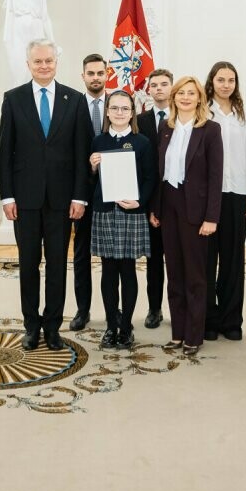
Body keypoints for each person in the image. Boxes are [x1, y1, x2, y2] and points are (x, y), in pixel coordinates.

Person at [0, 39, 91, 351]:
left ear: (56, 62)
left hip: (63, 201)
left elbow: (82, 154)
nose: (43, 66)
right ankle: (31, 326)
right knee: (28, 265)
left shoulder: (75, 100)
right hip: (24, 200)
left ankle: (52, 327)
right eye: (37, 61)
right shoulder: (13, 99)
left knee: (56, 265)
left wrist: (80, 197)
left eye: (49, 60)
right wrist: (7, 197)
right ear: (28, 64)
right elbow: (5, 154)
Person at [149, 76, 223, 355]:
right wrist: (155, 208)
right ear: (174, 97)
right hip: (169, 205)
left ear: (200, 99)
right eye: (181, 93)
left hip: (196, 210)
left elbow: (216, 178)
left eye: (192, 93)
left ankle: (194, 335)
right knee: (174, 272)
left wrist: (211, 218)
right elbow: (158, 173)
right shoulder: (164, 129)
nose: (186, 97)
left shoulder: (210, 130)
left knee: (195, 275)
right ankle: (177, 333)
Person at [89, 90, 155, 349]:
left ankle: (126, 327)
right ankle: (110, 326)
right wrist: (93, 167)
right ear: (107, 112)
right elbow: (91, 180)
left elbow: (150, 178)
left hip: (131, 213)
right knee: (107, 270)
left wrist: (140, 201)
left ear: (132, 112)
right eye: (114, 108)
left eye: (124, 108)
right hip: (104, 212)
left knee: (127, 270)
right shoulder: (98, 142)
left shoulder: (142, 143)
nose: (119, 113)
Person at [204, 62, 246, 341]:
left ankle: (231, 320)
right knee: (206, 259)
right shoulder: (203, 113)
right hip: (208, 197)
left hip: (237, 192)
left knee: (233, 260)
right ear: (211, 82)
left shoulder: (244, 116)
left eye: (231, 80)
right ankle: (209, 320)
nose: (226, 84)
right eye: (221, 79)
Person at [70, 53, 107, 331]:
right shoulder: (72, 105)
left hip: (113, 193)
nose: (95, 78)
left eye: (99, 73)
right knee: (81, 253)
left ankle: (113, 312)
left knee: (112, 255)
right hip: (82, 192)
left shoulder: (120, 105)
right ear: (83, 76)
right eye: (90, 73)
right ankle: (82, 310)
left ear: (107, 74)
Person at [137, 68, 173, 328]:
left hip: (178, 200)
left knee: (178, 260)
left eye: (164, 84)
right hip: (150, 200)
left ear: (172, 87)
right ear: (148, 90)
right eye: (155, 85)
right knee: (154, 259)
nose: (159, 88)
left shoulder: (184, 119)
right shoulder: (140, 120)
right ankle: (154, 308)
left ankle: (179, 308)